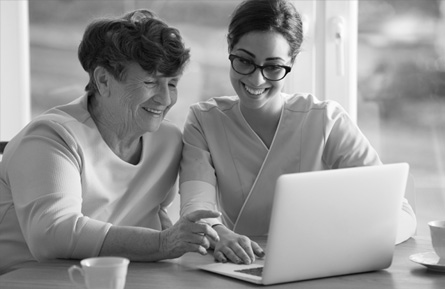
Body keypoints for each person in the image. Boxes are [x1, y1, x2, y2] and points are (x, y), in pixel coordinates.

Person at [179, 0, 417, 265]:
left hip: (318, 262)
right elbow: (195, 208)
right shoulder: (204, 120)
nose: (256, 80)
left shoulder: (326, 120)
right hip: (240, 265)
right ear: (230, 51)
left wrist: (344, 237)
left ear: (292, 61)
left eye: (273, 66)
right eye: (245, 61)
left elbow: (399, 212)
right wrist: (220, 233)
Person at [0, 9, 220, 275]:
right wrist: (163, 243)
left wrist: (213, 237)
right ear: (103, 80)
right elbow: (53, 234)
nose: (165, 99)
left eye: (172, 84)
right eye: (151, 82)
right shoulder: (50, 138)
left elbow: (156, 222)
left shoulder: (167, 140)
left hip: (120, 278)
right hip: (31, 280)